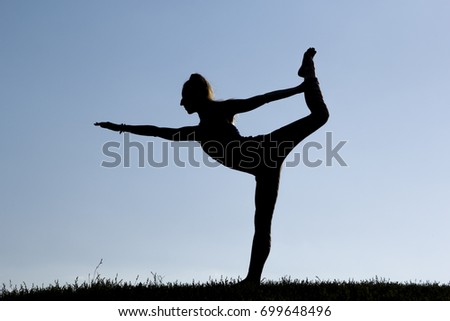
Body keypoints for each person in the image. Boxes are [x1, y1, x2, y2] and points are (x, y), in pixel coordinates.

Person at [95, 48, 329, 285]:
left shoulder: (221, 111)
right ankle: (253, 280)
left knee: (320, 116)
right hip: (264, 169)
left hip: (266, 149)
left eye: (183, 98)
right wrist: (121, 127)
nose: (180, 103)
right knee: (262, 223)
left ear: (194, 97)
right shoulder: (196, 133)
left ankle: (309, 73)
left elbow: (261, 99)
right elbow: (157, 132)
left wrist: (298, 89)